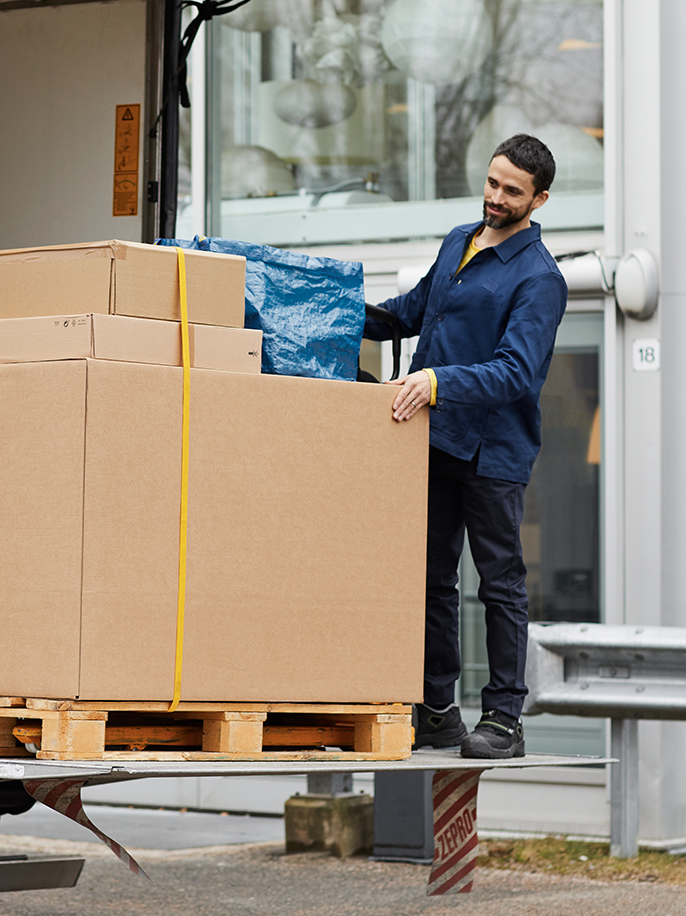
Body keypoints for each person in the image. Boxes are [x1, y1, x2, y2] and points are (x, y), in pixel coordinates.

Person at [365, 134, 567, 759]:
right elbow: (411, 312)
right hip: (434, 438)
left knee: (499, 582)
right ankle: (436, 709)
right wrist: (331, 312)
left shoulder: (540, 279)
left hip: (493, 452)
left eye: (512, 191)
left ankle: (505, 717)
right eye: (492, 182)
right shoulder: (460, 240)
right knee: (431, 578)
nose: (496, 198)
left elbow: (515, 374)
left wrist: (434, 382)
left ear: (539, 199)